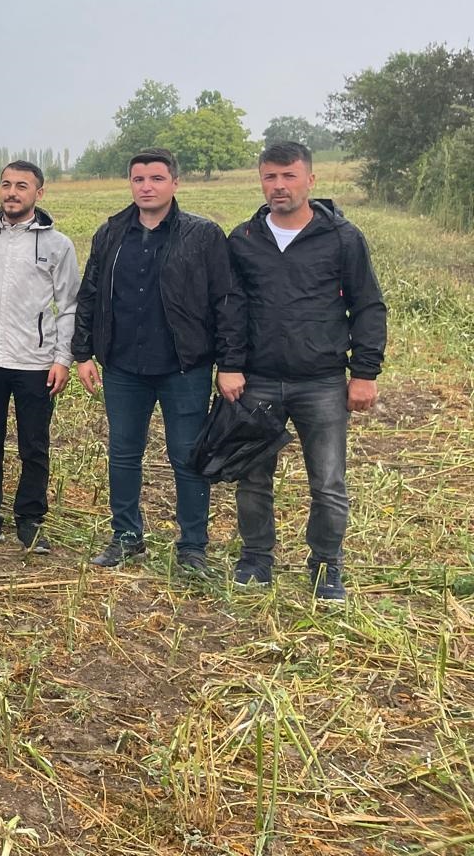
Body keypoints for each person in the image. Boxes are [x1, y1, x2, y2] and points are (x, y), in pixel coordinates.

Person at [227, 141, 387, 601]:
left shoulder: (342, 238)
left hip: (320, 381)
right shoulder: (244, 239)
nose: (279, 186)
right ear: (260, 180)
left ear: (310, 180)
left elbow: (368, 306)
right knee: (253, 477)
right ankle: (257, 558)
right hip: (256, 380)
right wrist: (231, 365)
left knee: (329, 482)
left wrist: (365, 372)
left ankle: (325, 567)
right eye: (270, 177)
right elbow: (232, 309)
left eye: (289, 176)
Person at [72, 148, 245, 575]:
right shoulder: (111, 232)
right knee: (123, 452)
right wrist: (82, 353)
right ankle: (127, 537)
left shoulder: (202, 235)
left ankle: (192, 548)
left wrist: (230, 362)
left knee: (186, 455)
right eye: (138, 179)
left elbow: (227, 301)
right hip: (124, 367)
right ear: (130, 184)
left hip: (183, 367)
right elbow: (90, 295)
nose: (146, 187)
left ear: (175, 183)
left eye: (156, 179)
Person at [0, 161, 79, 552]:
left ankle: (30, 518)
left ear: (39, 194)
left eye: (22, 186)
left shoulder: (58, 244)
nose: (12, 192)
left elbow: (69, 304)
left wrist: (62, 358)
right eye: (6, 184)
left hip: (35, 363)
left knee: (33, 445)